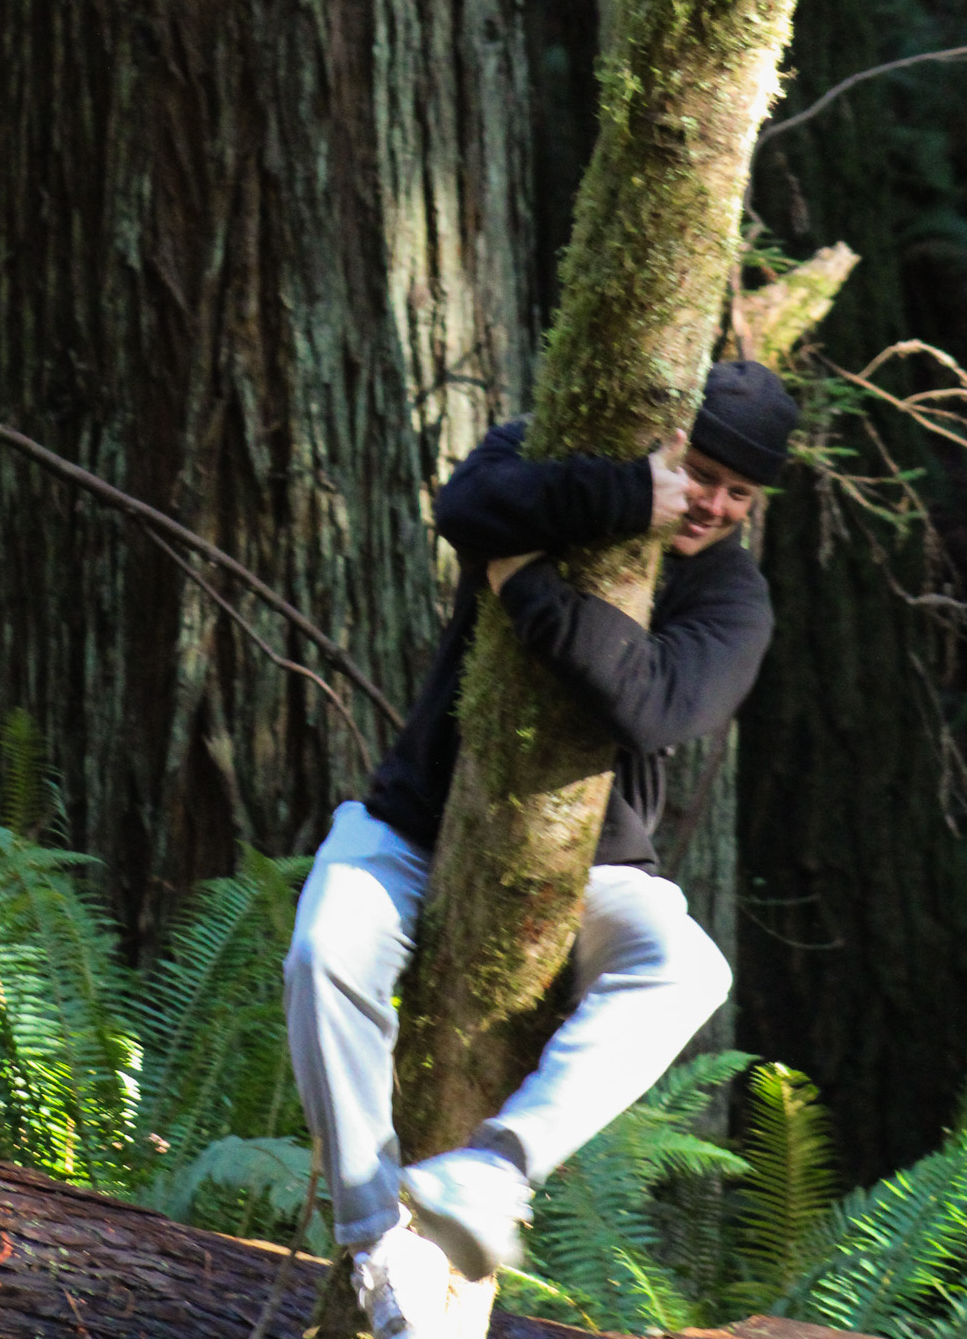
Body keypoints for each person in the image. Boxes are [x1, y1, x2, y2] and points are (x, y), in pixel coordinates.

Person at [284, 360, 798, 1339]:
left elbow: (651, 705)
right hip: (408, 821)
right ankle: (372, 1240)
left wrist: (527, 585)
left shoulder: (733, 593)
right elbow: (465, 502)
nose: (714, 502)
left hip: (599, 866)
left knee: (687, 968)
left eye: (740, 490)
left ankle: (492, 1168)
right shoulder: (556, 458)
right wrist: (615, 495)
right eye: (701, 472)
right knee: (321, 954)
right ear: (664, 445)